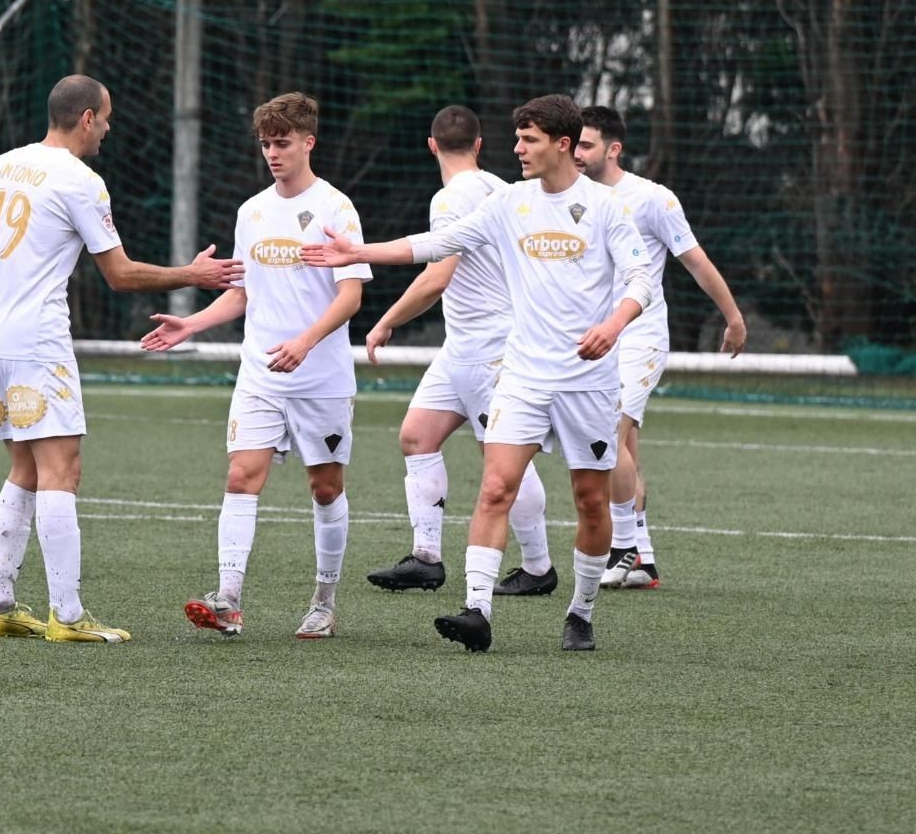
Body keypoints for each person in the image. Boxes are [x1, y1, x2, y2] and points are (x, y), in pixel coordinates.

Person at [302, 95, 652, 652]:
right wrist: (357, 251)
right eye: (515, 138)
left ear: (562, 144)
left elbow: (640, 279)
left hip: (588, 379)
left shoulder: (607, 207)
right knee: (494, 488)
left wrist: (614, 324)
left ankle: (582, 611)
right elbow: (438, 244)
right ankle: (477, 611)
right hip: (522, 374)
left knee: (590, 500)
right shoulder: (508, 203)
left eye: (529, 139)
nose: (517, 149)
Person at [0, 74, 242, 644]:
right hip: (38, 343)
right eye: (105, 117)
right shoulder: (82, 181)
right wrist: (193, 275)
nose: (108, 127)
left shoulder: (0, 165)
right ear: (85, 118)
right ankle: (69, 616)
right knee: (61, 471)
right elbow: (121, 274)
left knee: (24, 469)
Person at [141, 92, 369, 639]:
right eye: (266, 143)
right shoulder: (253, 211)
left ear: (308, 143)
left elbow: (352, 295)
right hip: (261, 373)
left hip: (320, 377)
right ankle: (228, 600)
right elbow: (242, 293)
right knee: (242, 477)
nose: (272, 153)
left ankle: (324, 601)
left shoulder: (337, 208)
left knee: (325, 487)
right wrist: (191, 324)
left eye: (283, 143)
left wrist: (307, 342)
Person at [360, 106, 555, 599]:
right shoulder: (500, 187)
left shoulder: (451, 198)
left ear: (431, 146)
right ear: (481, 143)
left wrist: (386, 321)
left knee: (505, 461)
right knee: (416, 436)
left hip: (492, 348)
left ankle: (538, 566)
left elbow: (436, 276)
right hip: (462, 347)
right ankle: (426, 558)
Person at [573, 105, 746, 589]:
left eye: (587, 144)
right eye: (576, 144)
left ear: (614, 148)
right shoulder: (570, 197)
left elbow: (695, 260)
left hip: (640, 337)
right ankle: (643, 560)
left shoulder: (652, 199)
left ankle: (622, 545)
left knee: (608, 432)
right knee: (624, 443)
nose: (579, 153)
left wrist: (732, 317)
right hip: (594, 340)